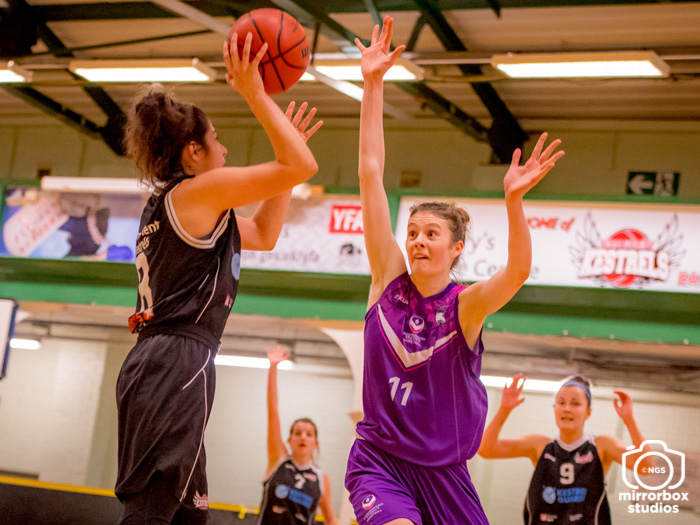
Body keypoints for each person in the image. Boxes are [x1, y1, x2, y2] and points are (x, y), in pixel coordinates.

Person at [344, 15, 565, 525]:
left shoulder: (465, 306)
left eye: (431, 234)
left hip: (445, 472)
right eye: (413, 232)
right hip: (379, 462)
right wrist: (373, 83)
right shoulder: (387, 279)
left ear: (456, 247)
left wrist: (514, 202)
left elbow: (517, 273)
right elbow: (370, 173)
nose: (418, 241)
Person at [115, 32, 322, 525]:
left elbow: (266, 234)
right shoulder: (197, 192)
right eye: (216, 140)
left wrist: (287, 157)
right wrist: (255, 93)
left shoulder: (185, 207)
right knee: (152, 508)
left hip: (171, 359)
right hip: (174, 361)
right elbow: (302, 165)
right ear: (193, 153)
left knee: (191, 514)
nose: (224, 150)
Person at [478, 373, 653, 524]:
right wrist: (504, 409)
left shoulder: (602, 446)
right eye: (561, 402)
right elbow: (486, 449)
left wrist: (629, 420)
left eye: (575, 404)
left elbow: (646, 467)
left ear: (588, 412)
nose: (567, 409)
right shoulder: (539, 445)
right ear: (554, 409)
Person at [258, 345, 339, 525]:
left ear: (316, 443)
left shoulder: (321, 478)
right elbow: (273, 413)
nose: (303, 437)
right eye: (298, 433)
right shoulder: (278, 460)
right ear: (289, 440)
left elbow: (330, 518)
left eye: (309, 434)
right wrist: (273, 368)